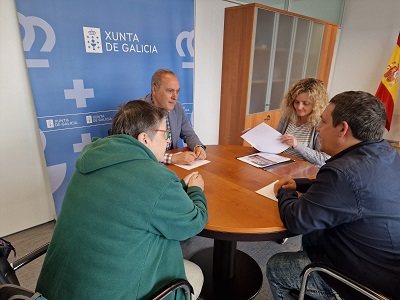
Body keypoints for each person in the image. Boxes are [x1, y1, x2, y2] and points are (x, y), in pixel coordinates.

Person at [36, 100, 208, 300]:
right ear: (144, 139)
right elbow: (192, 223)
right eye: (165, 134)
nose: (168, 141)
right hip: (113, 293)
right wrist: (196, 190)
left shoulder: (91, 162)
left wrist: (178, 187)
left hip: (54, 291)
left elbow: (130, 199)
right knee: (195, 273)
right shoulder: (155, 177)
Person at [266, 91, 400, 299]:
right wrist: (299, 183)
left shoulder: (343, 172)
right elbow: (341, 189)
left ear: (343, 129)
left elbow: (295, 221)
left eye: (323, 122)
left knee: (277, 267)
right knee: (315, 234)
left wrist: (286, 191)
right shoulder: (386, 151)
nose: (318, 128)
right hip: (388, 266)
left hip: (367, 283)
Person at [141, 68, 206, 165]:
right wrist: (172, 158)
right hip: (149, 166)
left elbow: (188, 134)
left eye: (177, 91)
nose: (175, 97)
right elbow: (137, 151)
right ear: (154, 89)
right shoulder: (139, 111)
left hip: (173, 166)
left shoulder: (177, 107)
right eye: (170, 91)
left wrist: (198, 147)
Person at [276, 78, 330, 167]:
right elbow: (276, 140)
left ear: (317, 105)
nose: (299, 107)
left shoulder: (321, 124)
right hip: (281, 163)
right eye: (296, 102)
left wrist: (297, 145)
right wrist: (259, 141)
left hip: (303, 170)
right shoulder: (288, 116)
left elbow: (323, 159)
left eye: (306, 103)